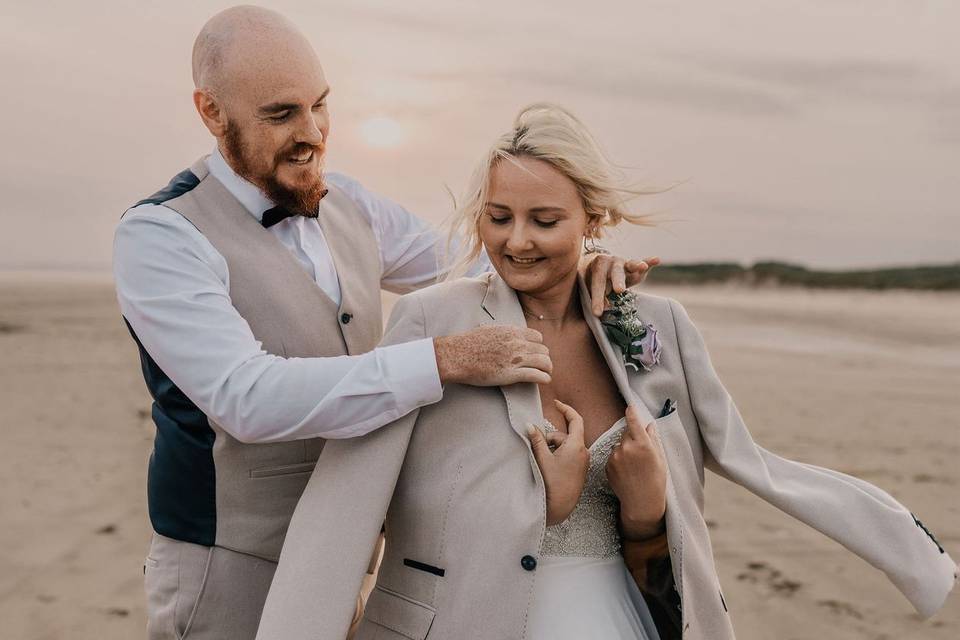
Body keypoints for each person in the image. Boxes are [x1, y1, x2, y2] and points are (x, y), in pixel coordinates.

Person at [256, 104, 958, 640]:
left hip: (619, 616)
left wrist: (645, 508)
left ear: (592, 220)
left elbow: (751, 461)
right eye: (498, 217)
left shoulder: (656, 329)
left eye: (544, 220)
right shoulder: (432, 322)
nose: (516, 240)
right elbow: (346, 501)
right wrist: (545, 503)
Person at [113, 7, 655, 640]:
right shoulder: (160, 234)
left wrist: (583, 265)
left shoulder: (350, 204)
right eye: (281, 114)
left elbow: (485, 260)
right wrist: (444, 359)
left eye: (320, 106)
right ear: (211, 112)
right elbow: (245, 396)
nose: (313, 131)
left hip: (345, 558)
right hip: (226, 565)